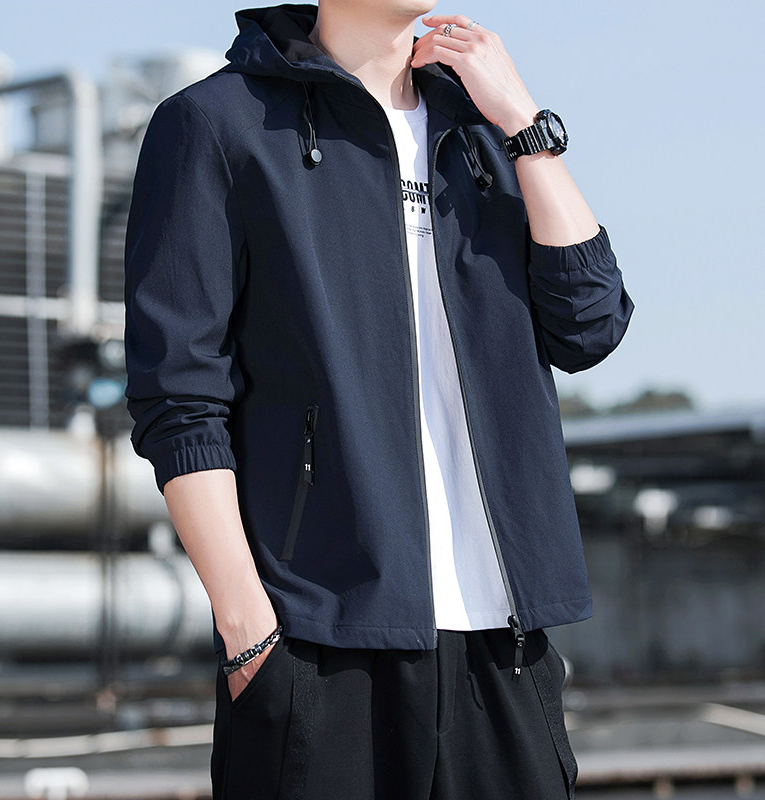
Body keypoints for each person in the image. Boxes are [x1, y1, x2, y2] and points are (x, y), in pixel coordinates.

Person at [124, 2, 633, 798]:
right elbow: (179, 398)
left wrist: (523, 122)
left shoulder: (482, 131)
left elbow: (591, 324)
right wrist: (247, 629)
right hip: (319, 642)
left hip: (504, 643)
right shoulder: (217, 124)